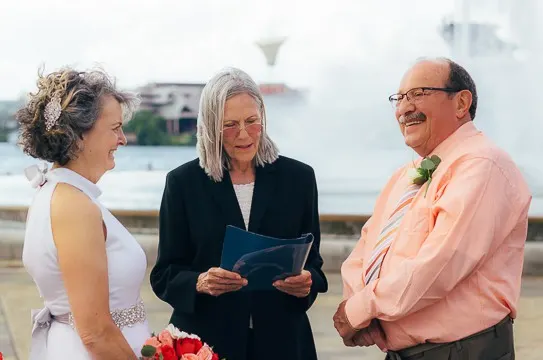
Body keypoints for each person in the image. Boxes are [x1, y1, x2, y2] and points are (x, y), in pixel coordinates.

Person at [333, 57, 532, 359]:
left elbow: (440, 264)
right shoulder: (406, 174)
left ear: (461, 103)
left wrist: (361, 309)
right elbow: (365, 248)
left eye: (419, 94)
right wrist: (361, 309)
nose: (404, 108)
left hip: (462, 350)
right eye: (399, 98)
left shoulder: (483, 165)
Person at [150, 67, 328, 360]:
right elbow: (164, 274)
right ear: (210, 125)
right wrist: (200, 282)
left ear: (263, 119)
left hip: (283, 342)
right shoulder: (183, 183)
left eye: (252, 121)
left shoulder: (299, 178)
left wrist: (307, 280)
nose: (244, 134)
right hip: (206, 344)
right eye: (230, 124)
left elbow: (316, 265)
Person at [18, 67, 150, 359]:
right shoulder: (74, 207)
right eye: (115, 128)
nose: (123, 139)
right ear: (79, 136)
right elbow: (95, 333)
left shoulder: (56, 193)